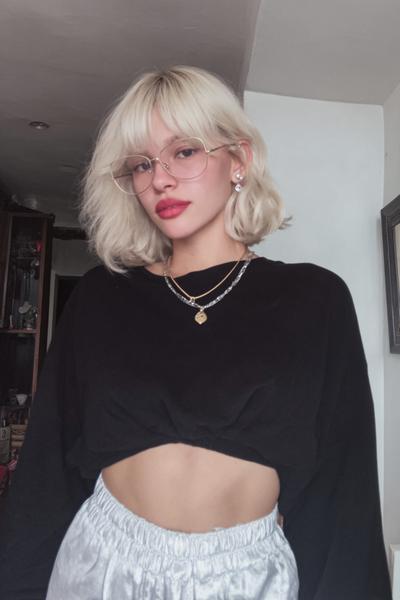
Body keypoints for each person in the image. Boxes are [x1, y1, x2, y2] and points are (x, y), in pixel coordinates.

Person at [0, 65, 391, 600]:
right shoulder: (101, 297)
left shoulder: (314, 299)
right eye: (141, 164)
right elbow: (47, 471)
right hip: (102, 567)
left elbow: (342, 492)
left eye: (184, 152)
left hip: (245, 579)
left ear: (239, 160)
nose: (159, 179)